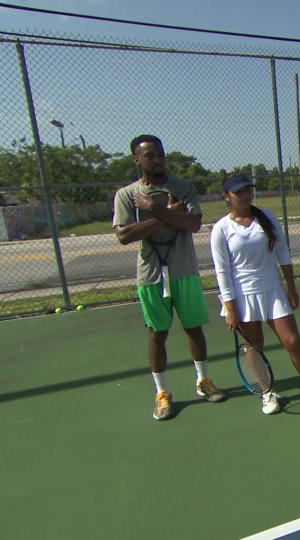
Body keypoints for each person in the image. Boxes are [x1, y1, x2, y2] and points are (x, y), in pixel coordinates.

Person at [113, 134, 226, 421]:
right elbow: (125, 235)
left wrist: (155, 210)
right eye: (149, 155)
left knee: (194, 328)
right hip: (151, 276)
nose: (157, 159)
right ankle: (162, 393)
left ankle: (203, 381)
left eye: (160, 154)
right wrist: (162, 214)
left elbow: (193, 224)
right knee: (157, 334)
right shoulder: (127, 195)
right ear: (137, 160)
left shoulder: (183, 188)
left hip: (184, 271)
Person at [210, 174, 300, 415]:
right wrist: (231, 309)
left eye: (247, 190)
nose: (245, 195)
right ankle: (267, 393)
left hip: (273, 289)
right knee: (254, 348)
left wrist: (291, 287)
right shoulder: (221, 229)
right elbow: (221, 271)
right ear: (226, 196)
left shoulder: (267, 217)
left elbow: (283, 253)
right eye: (238, 192)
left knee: (292, 341)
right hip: (242, 295)